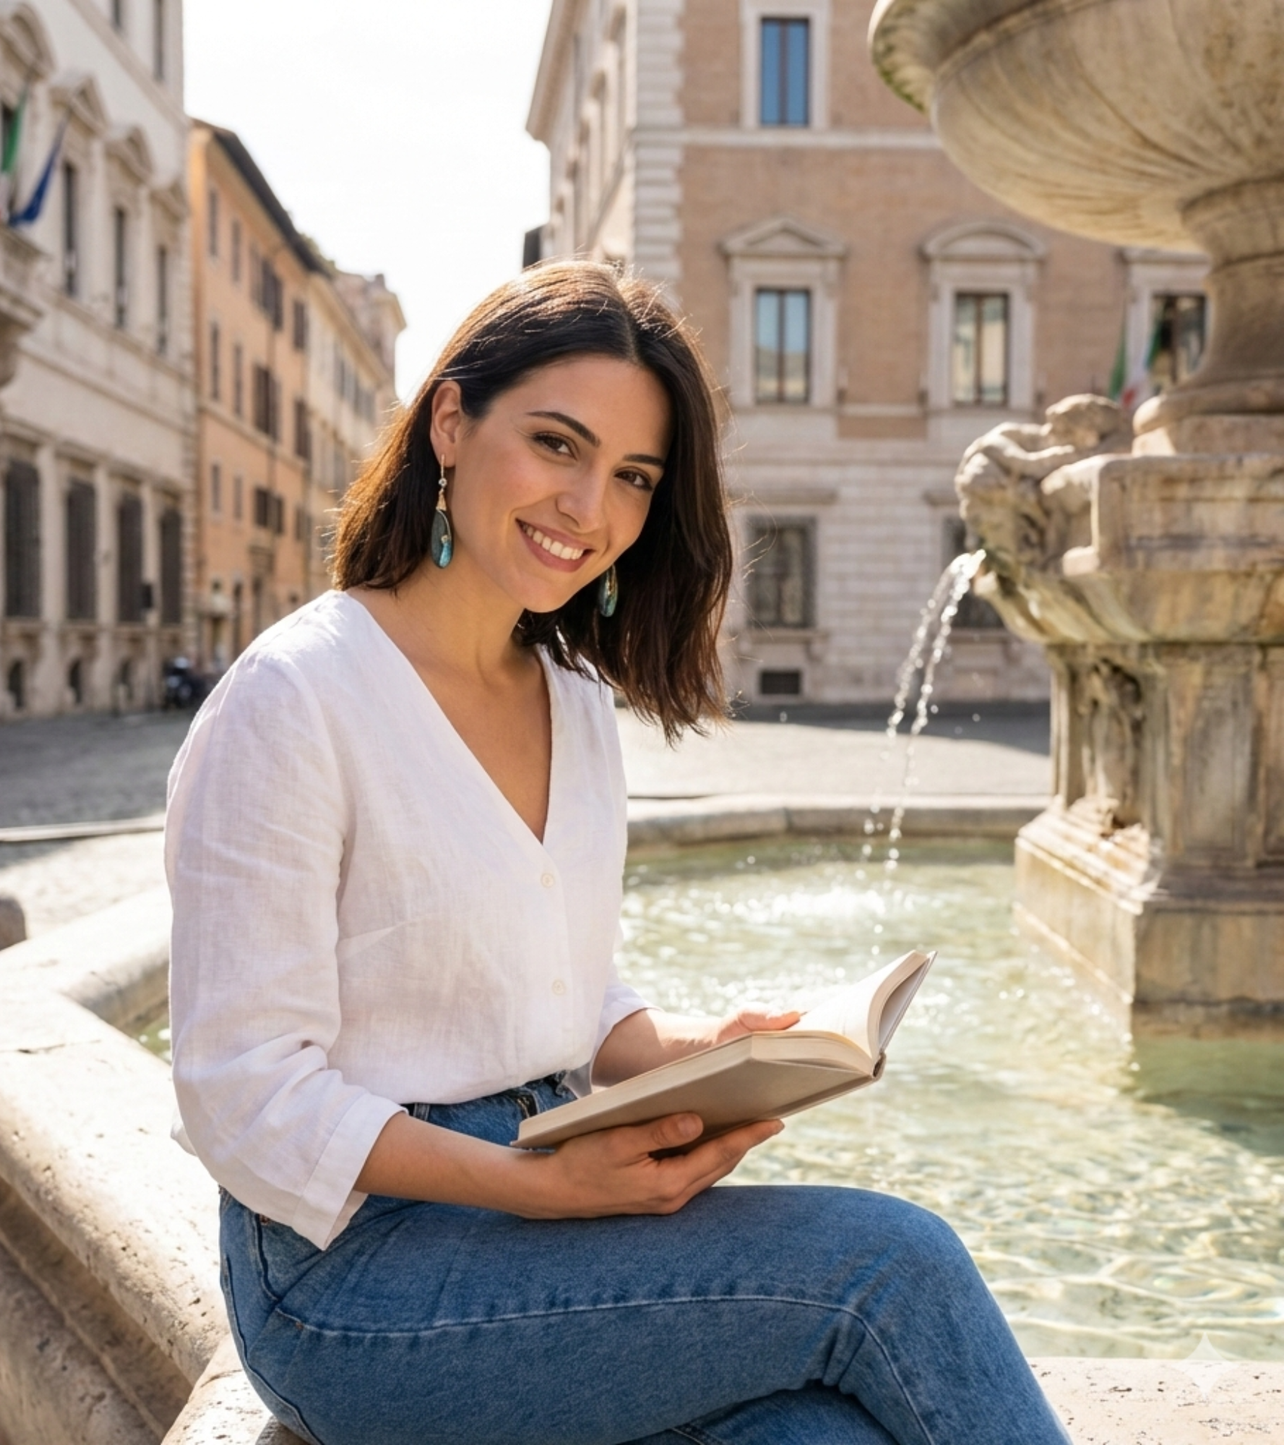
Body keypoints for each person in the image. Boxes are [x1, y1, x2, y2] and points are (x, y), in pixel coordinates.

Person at [165, 261, 1069, 1445]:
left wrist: (703, 1049)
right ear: (450, 421)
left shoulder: (574, 700)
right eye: (556, 444)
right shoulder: (293, 696)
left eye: (633, 476)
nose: (588, 507)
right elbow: (242, 1092)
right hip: (350, 1275)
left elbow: (555, 982)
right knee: (892, 1264)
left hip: (547, 1200)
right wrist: (535, 1183)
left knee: (819, 1437)